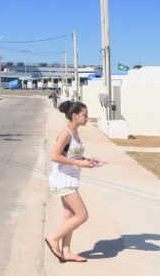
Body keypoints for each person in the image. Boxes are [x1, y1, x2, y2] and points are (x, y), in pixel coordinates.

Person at [44, 100, 95, 263]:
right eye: (85, 115)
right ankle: (53, 238)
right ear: (75, 116)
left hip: (71, 178)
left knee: (70, 216)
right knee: (82, 215)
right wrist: (79, 162)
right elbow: (55, 156)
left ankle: (66, 252)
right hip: (63, 179)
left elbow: (71, 155)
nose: (87, 118)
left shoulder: (75, 133)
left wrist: (85, 160)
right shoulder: (65, 133)